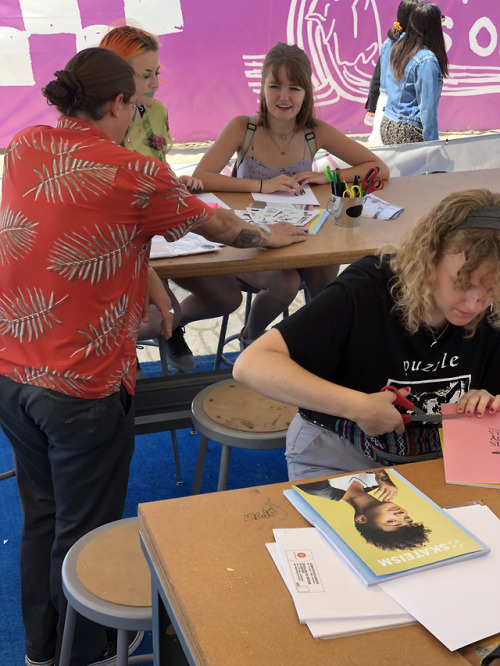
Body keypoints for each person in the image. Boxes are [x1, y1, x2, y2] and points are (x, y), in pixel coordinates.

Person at [0, 47, 305, 666]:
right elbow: (219, 226)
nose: (137, 112)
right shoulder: (134, 174)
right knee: (83, 527)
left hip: (11, 367)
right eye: (134, 104)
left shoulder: (27, 143)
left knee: (42, 515)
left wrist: (146, 276)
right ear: (117, 104)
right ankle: (83, 652)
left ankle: (40, 648)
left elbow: (78, 223)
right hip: (82, 385)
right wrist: (268, 235)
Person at [233, 188, 500, 481]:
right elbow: (252, 365)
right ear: (429, 257)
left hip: (444, 453)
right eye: (462, 284)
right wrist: (357, 406)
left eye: (490, 289)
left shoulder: (493, 308)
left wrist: (488, 399)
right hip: (342, 450)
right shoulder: (367, 289)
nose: (475, 304)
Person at [193, 42, 389, 343]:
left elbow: (377, 168)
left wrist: (325, 176)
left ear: (306, 93)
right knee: (285, 284)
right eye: (275, 86)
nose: (284, 97)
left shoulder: (315, 131)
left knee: (327, 275)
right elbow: (201, 178)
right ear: (262, 88)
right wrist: (262, 185)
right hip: (252, 239)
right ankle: (252, 339)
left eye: (294, 88)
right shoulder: (242, 128)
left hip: (301, 237)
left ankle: (312, 344)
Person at [100, 25, 243, 371]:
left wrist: (176, 180)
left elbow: (156, 166)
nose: (154, 82)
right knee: (162, 309)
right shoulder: (101, 119)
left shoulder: (157, 111)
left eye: (157, 73)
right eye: (145, 75)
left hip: (163, 227)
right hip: (125, 240)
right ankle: (126, 357)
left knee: (228, 297)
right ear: (116, 78)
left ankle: (172, 329)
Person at [298, 470, 430, 550]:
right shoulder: (377, 481)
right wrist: (380, 473)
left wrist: (379, 470)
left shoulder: (318, 487)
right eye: (407, 518)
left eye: (392, 521)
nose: (401, 514)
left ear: (361, 519)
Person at [380, 2, 449, 144]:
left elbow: (384, 85)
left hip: (388, 122)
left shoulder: (394, 45)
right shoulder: (426, 60)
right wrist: (432, 144)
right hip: (408, 128)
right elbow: (427, 110)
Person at [364, 0, 423, 145]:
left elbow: (377, 77)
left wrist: (372, 107)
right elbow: (378, 76)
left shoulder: (389, 43)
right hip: (399, 111)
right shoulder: (414, 48)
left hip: (384, 105)